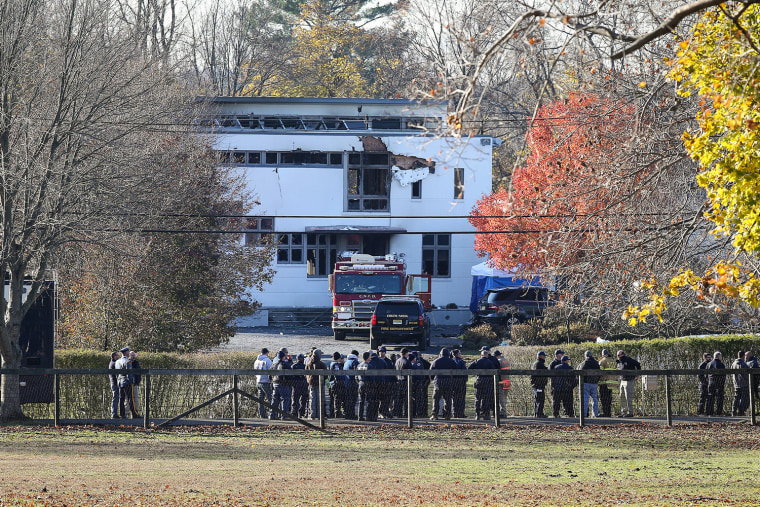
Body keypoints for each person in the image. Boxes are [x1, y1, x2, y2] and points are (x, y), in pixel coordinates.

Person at [468, 346, 496, 420]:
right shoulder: (490, 362)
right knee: (486, 398)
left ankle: (477, 414)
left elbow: (469, 368)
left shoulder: (477, 361)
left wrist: (475, 372)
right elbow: (493, 371)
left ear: (481, 355)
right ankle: (486, 414)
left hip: (478, 380)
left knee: (477, 398)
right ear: (487, 355)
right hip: (487, 382)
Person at [429, 348, 457, 420]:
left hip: (438, 382)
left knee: (436, 399)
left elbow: (431, 371)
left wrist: (433, 379)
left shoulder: (436, 361)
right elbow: (456, 371)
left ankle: (435, 414)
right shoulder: (451, 361)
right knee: (448, 399)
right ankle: (447, 415)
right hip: (448, 382)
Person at [114, 346, 139, 419]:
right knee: (131, 398)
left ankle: (122, 414)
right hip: (127, 382)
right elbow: (129, 373)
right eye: (128, 352)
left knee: (121, 399)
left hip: (120, 382)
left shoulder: (117, 362)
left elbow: (117, 373)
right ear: (126, 352)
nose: (129, 353)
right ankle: (135, 414)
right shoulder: (128, 361)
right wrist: (132, 381)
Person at [616, 350, 641, 417]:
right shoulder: (619, 361)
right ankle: (623, 412)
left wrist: (638, 374)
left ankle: (630, 412)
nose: (618, 357)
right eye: (617, 355)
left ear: (622, 354)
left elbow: (638, 364)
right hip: (622, 380)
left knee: (628, 397)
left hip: (629, 380)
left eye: (619, 355)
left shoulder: (628, 359)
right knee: (622, 397)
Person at [270, 349, 293, 420]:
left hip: (275, 383)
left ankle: (272, 415)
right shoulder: (285, 364)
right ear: (283, 357)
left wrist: (272, 380)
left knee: (275, 400)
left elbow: (270, 374)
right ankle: (284, 415)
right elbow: (290, 374)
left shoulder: (274, 364)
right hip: (283, 383)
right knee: (285, 399)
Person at [578, 351, 600, 418]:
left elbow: (579, 373)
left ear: (585, 356)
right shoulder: (596, 363)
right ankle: (595, 414)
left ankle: (583, 414)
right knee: (595, 399)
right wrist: (596, 380)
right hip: (594, 383)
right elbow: (599, 373)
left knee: (585, 400)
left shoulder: (583, 363)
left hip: (585, 383)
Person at [306, 349, 327, 420]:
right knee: (320, 399)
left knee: (312, 399)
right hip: (320, 384)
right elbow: (326, 375)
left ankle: (312, 415)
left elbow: (305, 373)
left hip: (311, 383)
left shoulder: (309, 364)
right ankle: (319, 415)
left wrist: (308, 379)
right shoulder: (322, 364)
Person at [393, 348, 414, 418]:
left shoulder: (397, 361)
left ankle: (399, 413)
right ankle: (406, 413)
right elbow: (412, 371)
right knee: (406, 398)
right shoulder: (406, 361)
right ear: (406, 353)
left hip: (399, 381)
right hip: (405, 381)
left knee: (399, 398)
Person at [597, 349, 618, 417]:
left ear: (603, 354)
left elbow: (599, 372)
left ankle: (606, 413)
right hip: (612, 383)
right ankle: (608, 413)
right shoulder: (613, 361)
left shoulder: (602, 361)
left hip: (604, 383)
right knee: (609, 399)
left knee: (604, 399)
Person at [254, 348, 273, 419]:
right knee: (271, 398)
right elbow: (271, 370)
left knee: (260, 399)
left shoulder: (256, 361)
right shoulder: (267, 360)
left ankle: (262, 415)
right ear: (267, 353)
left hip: (258, 381)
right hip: (266, 381)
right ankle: (272, 414)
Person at [549, 349, 569, 416]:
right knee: (556, 401)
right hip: (556, 386)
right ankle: (556, 414)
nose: (563, 355)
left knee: (565, 401)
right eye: (561, 354)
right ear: (558, 355)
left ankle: (565, 413)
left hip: (563, 385)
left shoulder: (557, 364)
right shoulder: (553, 364)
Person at [706, 351, 726, 416]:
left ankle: (710, 412)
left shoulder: (709, 364)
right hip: (719, 383)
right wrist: (723, 383)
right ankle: (719, 412)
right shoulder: (721, 364)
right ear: (719, 356)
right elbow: (723, 375)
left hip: (711, 382)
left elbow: (707, 374)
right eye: (721, 356)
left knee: (710, 397)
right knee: (719, 398)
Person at [378, 346, 395, 418]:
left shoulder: (388, 362)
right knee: (379, 398)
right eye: (380, 352)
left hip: (387, 383)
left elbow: (391, 372)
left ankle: (385, 411)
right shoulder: (377, 361)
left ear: (385, 352)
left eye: (383, 352)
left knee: (387, 398)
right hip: (379, 382)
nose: (381, 353)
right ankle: (380, 412)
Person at [530, 351, 548, 418]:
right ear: (541, 356)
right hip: (539, 384)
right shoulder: (539, 364)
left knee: (537, 398)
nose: (545, 357)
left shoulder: (536, 363)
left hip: (536, 384)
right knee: (540, 399)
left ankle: (537, 412)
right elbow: (544, 371)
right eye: (544, 356)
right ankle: (539, 413)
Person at [731, 351, 749, 417]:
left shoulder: (733, 363)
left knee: (736, 398)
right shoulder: (744, 364)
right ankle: (741, 412)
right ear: (743, 356)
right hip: (744, 384)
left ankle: (733, 411)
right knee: (744, 399)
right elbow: (746, 375)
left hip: (736, 383)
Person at [343, 351, 360, 420]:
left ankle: (348, 414)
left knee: (348, 399)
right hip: (353, 383)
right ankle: (352, 414)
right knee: (353, 400)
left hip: (346, 383)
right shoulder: (355, 362)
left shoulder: (346, 362)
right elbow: (358, 372)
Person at [290, 353, 309, 418]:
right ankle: (301, 413)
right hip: (303, 384)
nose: (303, 359)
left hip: (296, 384)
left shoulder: (293, 366)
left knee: (295, 399)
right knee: (303, 400)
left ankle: (294, 413)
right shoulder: (304, 366)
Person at [493, 350, 511, 417]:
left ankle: (503, 412)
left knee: (501, 398)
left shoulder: (499, 361)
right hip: (507, 382)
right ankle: (503, 411)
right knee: (505, 398)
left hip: (501, 382)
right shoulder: (506, 360)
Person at [329, 352, 347, 418]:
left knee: (336, 399)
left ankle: (336, 412)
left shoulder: (331, 364)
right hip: (337, 383)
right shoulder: (336, 365)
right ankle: (337, 413)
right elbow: (337, 374)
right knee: (338, 399)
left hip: (333, 383)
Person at [452, 349, 468, 418]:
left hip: (453, 381)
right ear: (457, 354)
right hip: (461, 381)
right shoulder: (461, 362)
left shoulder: (452, 361)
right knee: (461, 398)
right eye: (459, 353)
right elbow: (465, 372)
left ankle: (455, 412)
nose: (460, 354)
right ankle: (461, 413)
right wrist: (465, 379)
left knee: (454, 397)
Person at [108, 352, 120, 419]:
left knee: (115, 398)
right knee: (115, 399)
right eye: (118, 355)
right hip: (115, 384)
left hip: (114, 383)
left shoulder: (111, 363)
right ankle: (114, 414)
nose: (119, 356)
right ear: (115, 356)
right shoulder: (114, 364)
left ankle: (114, 413)